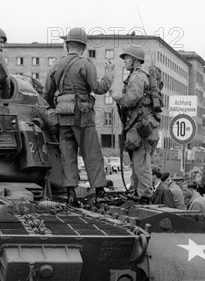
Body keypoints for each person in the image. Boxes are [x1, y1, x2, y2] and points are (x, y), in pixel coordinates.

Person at [44, 27, 114, 206]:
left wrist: (59, 106)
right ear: (83, 46)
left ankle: (71, 196)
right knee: (91, 152)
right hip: (82, 116)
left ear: (67, 45)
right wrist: (109, 76)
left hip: (62, 116)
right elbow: (98, 88)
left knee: (68, 155)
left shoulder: (56, 65)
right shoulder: (85, 64)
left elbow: (47, 94)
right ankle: (99, 192)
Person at [114, 45, 159, 204]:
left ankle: (145, 196)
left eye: (126, 58)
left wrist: (119, 98)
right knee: (139, 163)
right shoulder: (139, 76)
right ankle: (138, 192)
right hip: (144, 127)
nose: (124, 61)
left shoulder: (137, 77)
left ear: (134, 60)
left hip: (142, 129)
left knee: (141, 164)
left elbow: (131, 98)